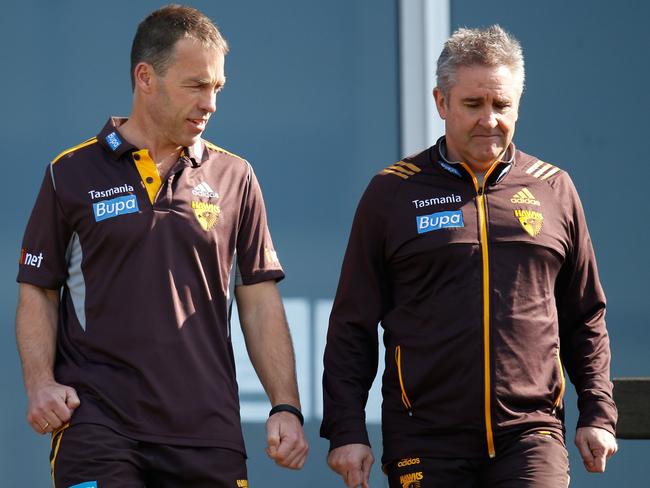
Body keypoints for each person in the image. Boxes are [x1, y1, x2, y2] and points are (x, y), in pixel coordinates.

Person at [16, 5, 307, 486]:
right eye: (195, 85)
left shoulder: (236, 177)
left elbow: (258, 301)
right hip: (99, 422)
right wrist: (40, 383)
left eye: (217, 88)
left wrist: (286, 406)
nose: (210, 102)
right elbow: (38, 289)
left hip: (207, 432)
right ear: (145, 77)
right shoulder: (69, 173)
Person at [321, 25, 617, 487]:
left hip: (531, 434)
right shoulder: (392, 192)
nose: (489, 120)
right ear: (442, 103)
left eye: (501, 105)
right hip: (425, 437)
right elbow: (351, 325)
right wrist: (346, 429)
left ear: (518, 104)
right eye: (473, 104)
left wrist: (598, 412)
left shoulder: (554, 188)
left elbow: (585, 316)